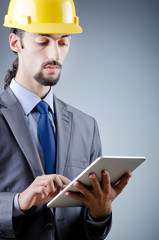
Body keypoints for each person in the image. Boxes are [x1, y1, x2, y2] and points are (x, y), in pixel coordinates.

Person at [0, 0, 132, 239]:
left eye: (63, 42)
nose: (55, 54)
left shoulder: (87, 126)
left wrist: (100, 213)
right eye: (43, 41)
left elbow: (89, 229)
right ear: (15, 43)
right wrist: (18, 202)